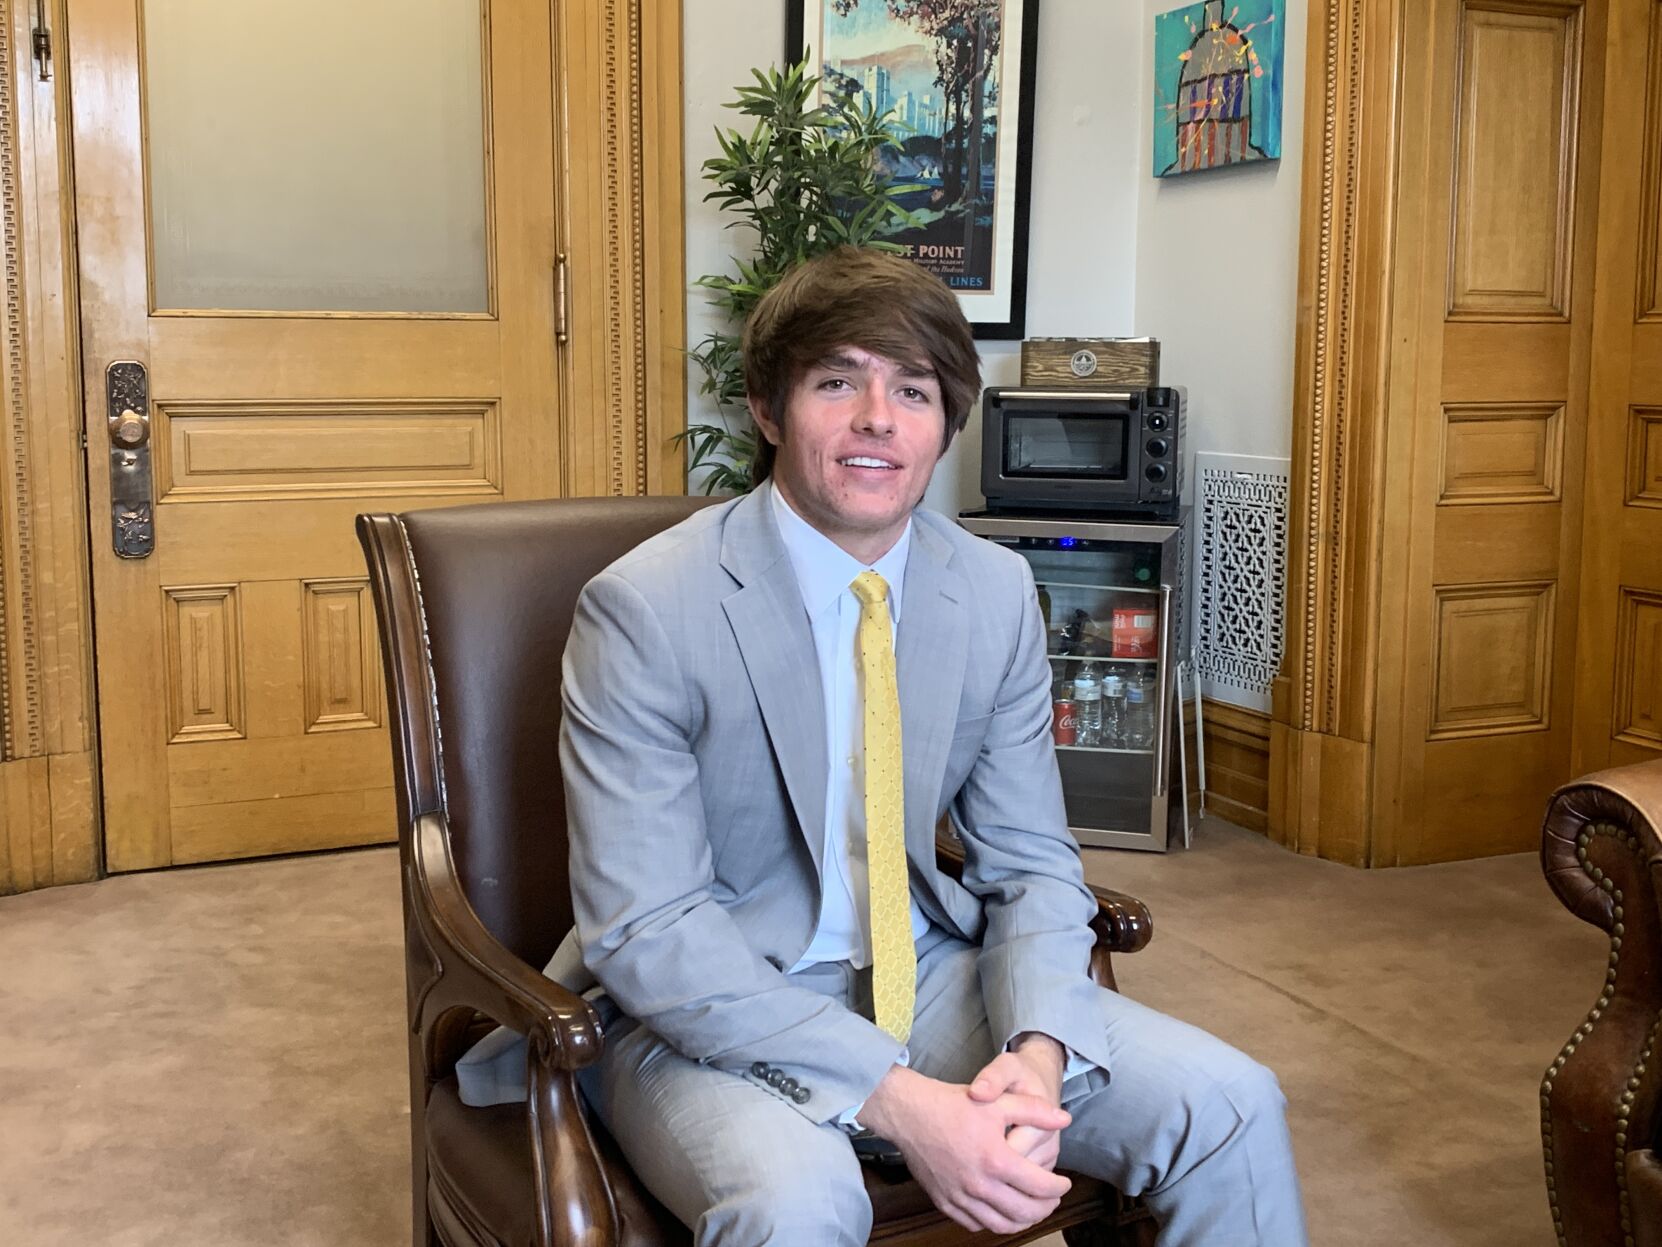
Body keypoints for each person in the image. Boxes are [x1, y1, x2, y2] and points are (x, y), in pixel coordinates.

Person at [458, 246, 1307, 1245]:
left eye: (913, 389)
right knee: (797, 1203)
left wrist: (1037, 1053)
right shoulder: (646, 608)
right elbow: (650, 928)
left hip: (923, 967)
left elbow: (1032, 860)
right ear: (769, 409)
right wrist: (899, 1099)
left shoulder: (992, 592)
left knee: (1230, 1103)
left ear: (947, 422)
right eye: (836, 382)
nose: (877, 418)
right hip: (699, 1006)